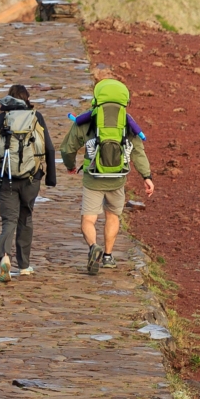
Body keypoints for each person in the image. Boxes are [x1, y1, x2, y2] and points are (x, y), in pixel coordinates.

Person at [61, 77, 154, 275]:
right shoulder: (127, 122)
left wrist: (71, 166)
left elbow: (68, 149)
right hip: (117, 178)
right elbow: (137, 151)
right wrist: (147, 176)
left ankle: (93, 246)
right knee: (112, 215)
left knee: (89, 219)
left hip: (93, 178)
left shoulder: (87, 121)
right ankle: (109, 256)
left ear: (97, 98)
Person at [0, 83, 56, 282]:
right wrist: (50, 177)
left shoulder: (2, 119)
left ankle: (5, 257)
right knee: (26, 218)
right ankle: (24, 265)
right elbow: (49, 148)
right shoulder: (35, 117)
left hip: (7, 179)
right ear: (27, 99)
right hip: (32, 179)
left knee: (9, 221)